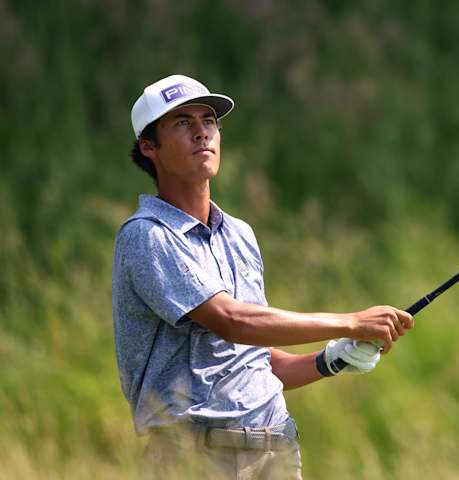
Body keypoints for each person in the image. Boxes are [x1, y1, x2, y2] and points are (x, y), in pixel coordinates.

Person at [112, 74, 414, 479]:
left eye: (209, 120)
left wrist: (332, 358)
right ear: (149, 147)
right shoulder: (147, 236)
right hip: (194, 459)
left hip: (276, 450)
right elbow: (233, 321)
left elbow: (257, 361)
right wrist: (352, 321)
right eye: (182, 123)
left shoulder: (239, 234)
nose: (202, 132)